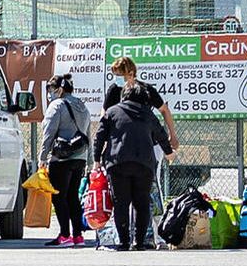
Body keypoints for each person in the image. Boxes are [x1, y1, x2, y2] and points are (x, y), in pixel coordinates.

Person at [105, 55, 178, 246]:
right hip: (121, 147)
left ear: (130, 72)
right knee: (122, 195)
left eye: (122, 75)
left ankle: (150, 235)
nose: (120, 81)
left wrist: (172, 135)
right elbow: (106, 117)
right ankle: (124, 235)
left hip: (148, 145)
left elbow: (164, 110)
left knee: (150, 189)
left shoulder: (144, 90)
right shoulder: (115, 91)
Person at [93, 81, 171, 251]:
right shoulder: (148, 114)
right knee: (142, 203)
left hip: (117, 163)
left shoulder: (112, 112)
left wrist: (96, 159)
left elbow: (99, 136)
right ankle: (140, 242)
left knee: (120, 203)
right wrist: (169, 151)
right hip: (144, 164)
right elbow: (161, 134)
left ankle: (123, 242)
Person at [39, 73, 90, 248]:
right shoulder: (82, 105)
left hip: (61, 158)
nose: (50, 94)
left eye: (51, 90)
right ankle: (78, 236)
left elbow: (48, 133)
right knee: (73, 196)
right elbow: (87, 132)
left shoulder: (57, 105)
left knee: (59, 196)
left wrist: (42, 157)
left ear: (59, 89)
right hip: (80, 157)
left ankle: (64, 235)